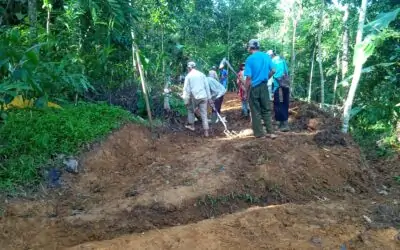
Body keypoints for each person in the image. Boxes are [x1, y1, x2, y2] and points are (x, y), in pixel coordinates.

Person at [244, 39, 277, 139]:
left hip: (254, 87)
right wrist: (266, 77)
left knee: (255, 110)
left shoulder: (249, 59)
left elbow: (248, 78)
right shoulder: (266, 57)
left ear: (250, 47)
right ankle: (271, 132)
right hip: (264, 86)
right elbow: (274, 70)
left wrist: (246, 89)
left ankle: (260, 134)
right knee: (266, 109)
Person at [182, 61, 213, 137]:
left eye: (188, 68)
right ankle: (206, 131)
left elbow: (186, 89)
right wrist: (210, 98)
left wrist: (185, 99)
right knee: (204, 114)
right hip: (204, 96)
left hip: (195, 97)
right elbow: (207, 87)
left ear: (189, 67)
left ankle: (192, 126)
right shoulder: (202, 74)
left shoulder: (188, 76)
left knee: (190, 110)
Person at [267, 50, 290, 132]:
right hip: (286, 84)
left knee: (278, 104)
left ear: (270, 56)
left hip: (278, 85)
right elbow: (287, 72)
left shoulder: (273, 61)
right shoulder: (282, 60)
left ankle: (283, 124)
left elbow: (272, 72)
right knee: (285, 103)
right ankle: (283, 122)